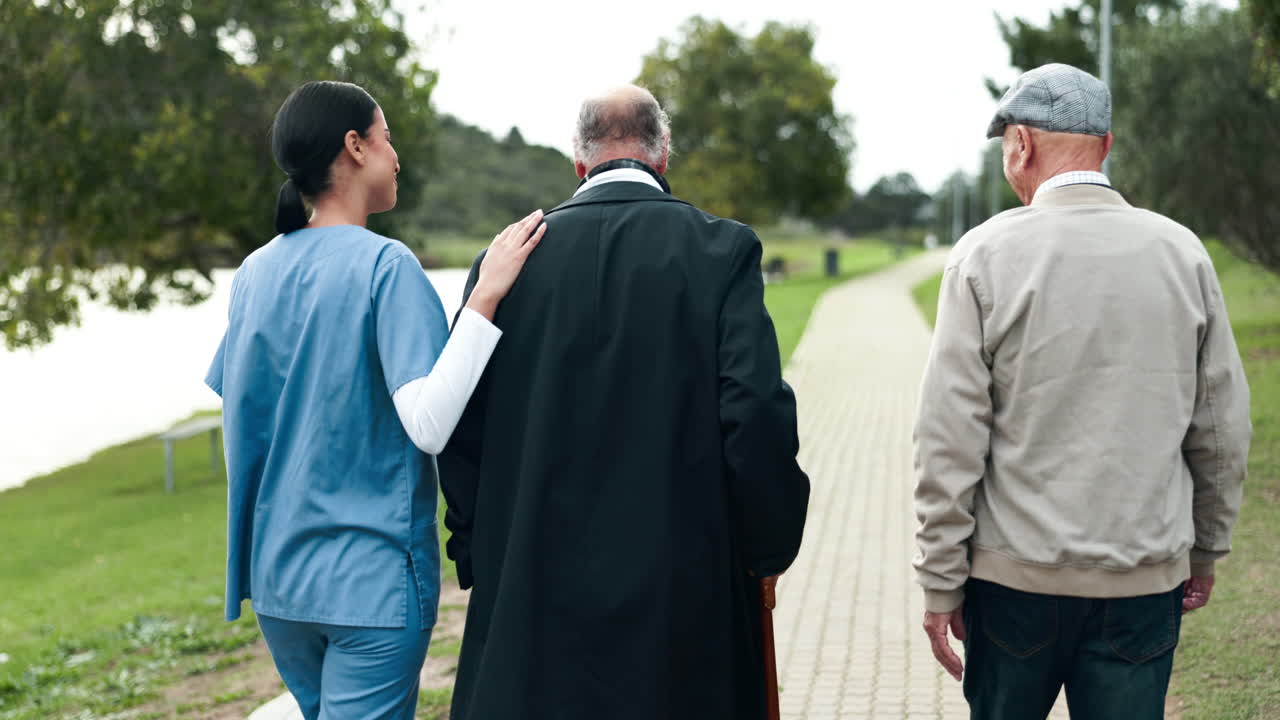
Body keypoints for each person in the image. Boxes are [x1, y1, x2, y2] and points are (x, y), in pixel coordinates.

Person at [437, 85, 810, 720]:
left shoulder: (505, 261)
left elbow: (460, 423)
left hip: (532, 584)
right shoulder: (721, 249)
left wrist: (480, 551)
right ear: (663, 155)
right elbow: (754, 411)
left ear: (577, 163)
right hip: (682, 586)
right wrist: (766, 548)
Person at [912, 63, 1252, 719]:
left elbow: (947, 440)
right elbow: (1219, 428)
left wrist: (940, 579)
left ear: (1021, 145)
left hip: (1013, 582)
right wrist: (1204, 548)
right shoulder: (1182, 253)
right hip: (1143, 578)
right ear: (1107, 145)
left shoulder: (982, 256)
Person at [204, 80, 545, 720]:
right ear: (355, 147)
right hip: (371, 586)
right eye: (388, 139)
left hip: (280, 589)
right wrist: (484, 299)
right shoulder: (388, 267)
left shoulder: (254, 273)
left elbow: (241, 429)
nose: (398, 157)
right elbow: (429, 424)